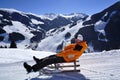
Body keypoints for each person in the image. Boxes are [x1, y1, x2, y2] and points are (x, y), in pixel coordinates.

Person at [23, 34, 88, 73]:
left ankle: (32, 69)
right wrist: (62, 52)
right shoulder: (78, 44)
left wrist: (61, 53)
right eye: (75, 39)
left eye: (76, 39)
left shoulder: (80, 46)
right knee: (50, 56)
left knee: (49, 60)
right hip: (64, 56)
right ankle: (39, 61)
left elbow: (69, 52)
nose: (75, 40)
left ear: (80, 39)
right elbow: (68, 48)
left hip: (66, 58)